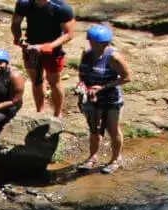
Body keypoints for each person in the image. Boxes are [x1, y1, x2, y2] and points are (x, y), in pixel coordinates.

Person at [75, 25, 131, 174]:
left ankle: (116, 159)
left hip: (111, 98)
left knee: (113, 129)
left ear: (103, 43)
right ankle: (92, 157)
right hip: (91, 98)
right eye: (90, 41)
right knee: (94, 129)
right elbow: (83, 73)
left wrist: (103, 87)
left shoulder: (114, 57)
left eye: (92, 41)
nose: (90, 44)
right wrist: (82, 84)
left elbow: (127, 78)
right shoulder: (86, 54)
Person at [11, 0, 75, 118]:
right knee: (36, 81)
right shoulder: (24, 3)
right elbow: (16, 24)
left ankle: (57, 113)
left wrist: (48, 46)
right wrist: (19, 38)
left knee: (54, 81)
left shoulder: (62, 8)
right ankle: (39, 112)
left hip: (53, 50)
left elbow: (68, 34)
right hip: (30, 48)